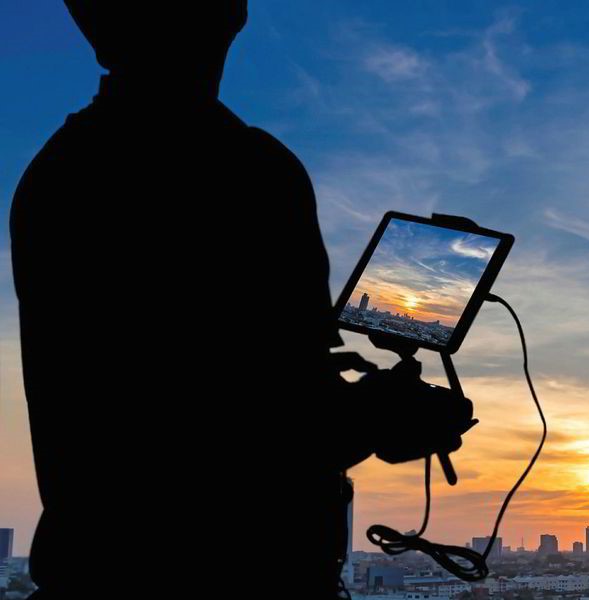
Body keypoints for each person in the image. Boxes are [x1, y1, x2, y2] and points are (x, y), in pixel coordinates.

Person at [9, 2, 473, 598]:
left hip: (98, 566)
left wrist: (353, 404)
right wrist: (386, 417)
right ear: (231, 13)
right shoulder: (247, 169)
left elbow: (180, 389)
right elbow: (247, 425)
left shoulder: (58, 169)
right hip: (249, 573)